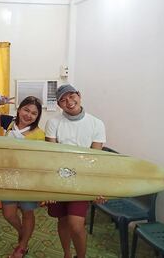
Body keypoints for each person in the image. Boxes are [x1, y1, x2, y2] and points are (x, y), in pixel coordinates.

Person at [45, 84, 106, 258]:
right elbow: (52, 156)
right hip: (58, 180)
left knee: (76, 224)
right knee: (63, 221)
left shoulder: (96, 123)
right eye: (63, 100)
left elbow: (95, 159)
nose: (69, 102)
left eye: (71, 96)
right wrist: (49, 186)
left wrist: (98, 187)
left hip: (81, 181)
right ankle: (66, 253)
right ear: (59, 104)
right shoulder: (53, 123)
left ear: (79, 95)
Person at [0, 95, 45, 258]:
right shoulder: (9, 122)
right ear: (19, 109)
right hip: (7, 177)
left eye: (34, 113)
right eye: (26, 110)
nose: (29, 115)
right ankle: (23, 233)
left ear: (37, 116)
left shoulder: (39, 134)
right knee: (9, 214)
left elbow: (40, 161)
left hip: (28, 180)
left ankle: (22, 246)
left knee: (27, 212)